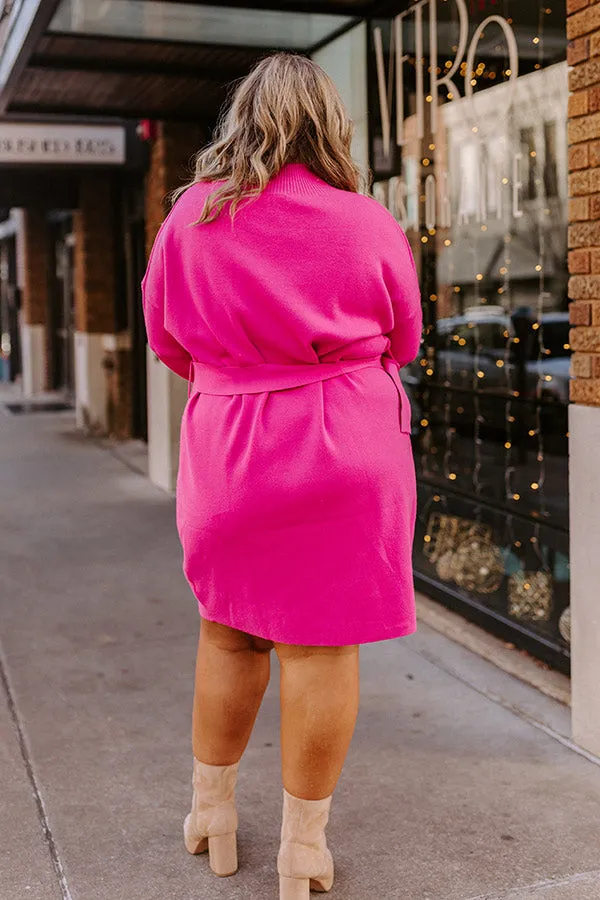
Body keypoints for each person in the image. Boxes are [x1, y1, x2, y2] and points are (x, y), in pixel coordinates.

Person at [142, 52, 422, 900]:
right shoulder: (365, 220)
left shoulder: (188, 217)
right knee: (320, 650)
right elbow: (404, 338)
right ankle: (303, 852)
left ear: (241, 123)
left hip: (231, 450)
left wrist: (240, 378)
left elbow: (167, 341)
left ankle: (213, 818)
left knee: (227, 633)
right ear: (327, 127)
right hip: (347, 452)